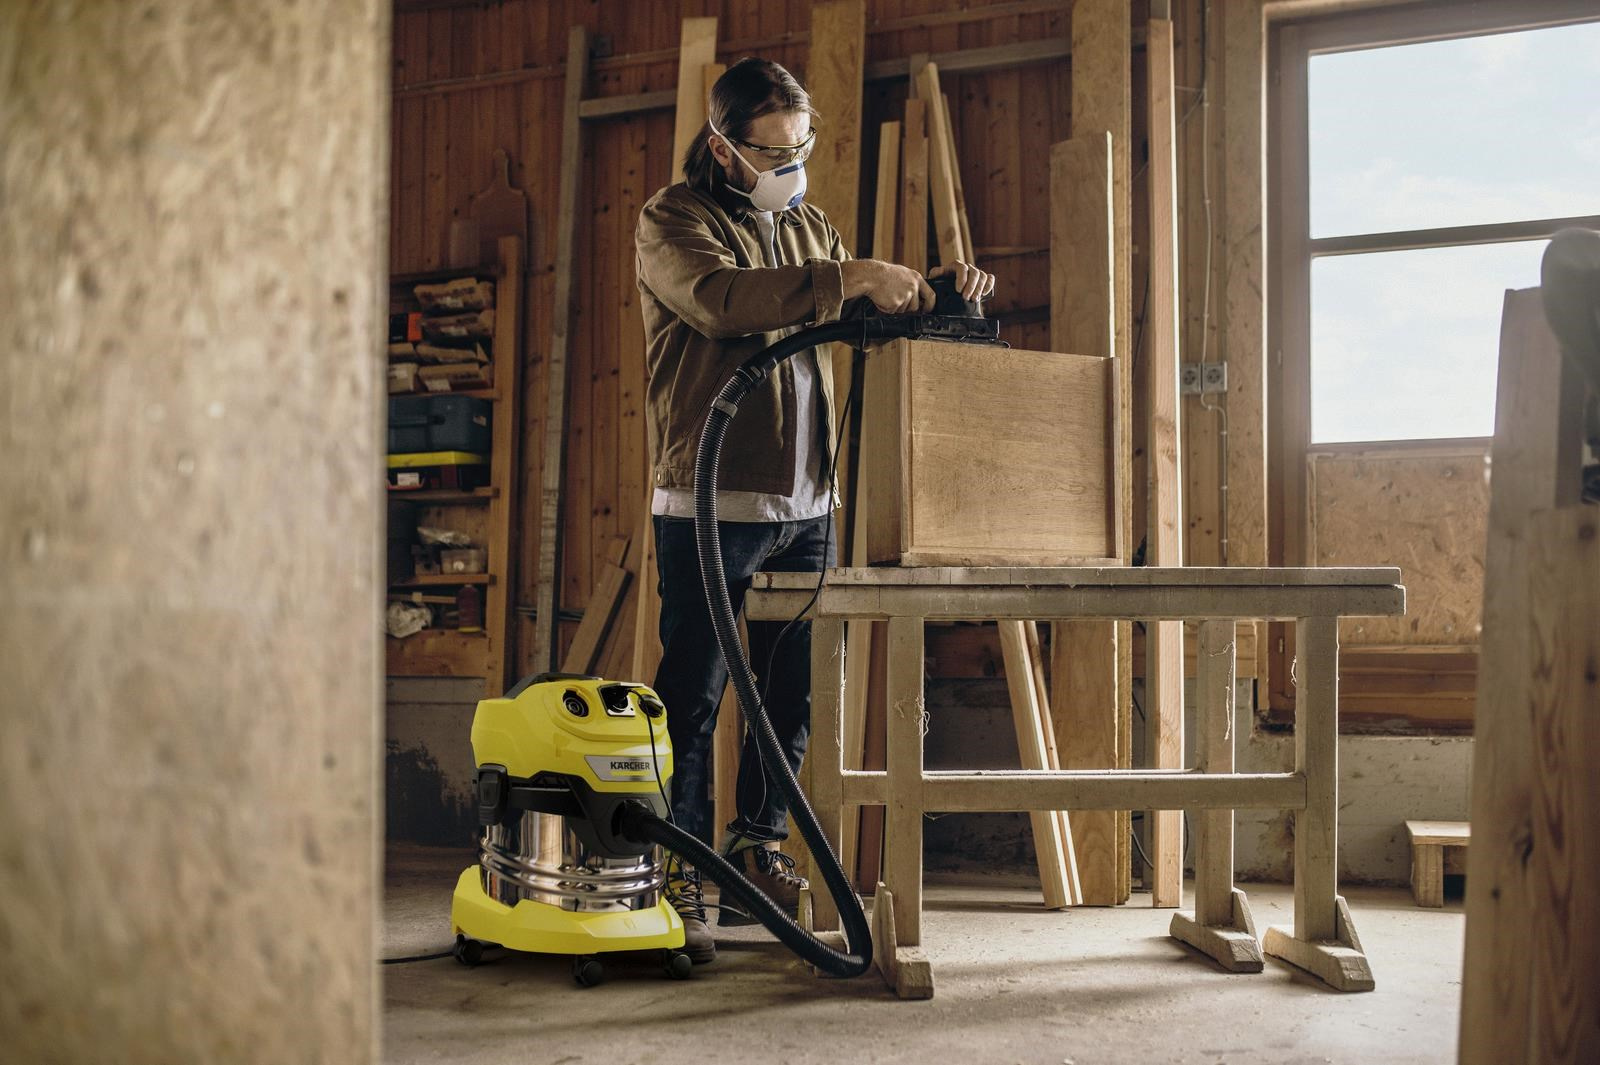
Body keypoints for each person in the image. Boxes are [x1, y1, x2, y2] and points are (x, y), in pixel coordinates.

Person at [634, 56, 994, 965]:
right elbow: (721, 303)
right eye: (772, 152)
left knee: (791, 694)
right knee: (696, 692)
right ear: (723, 146)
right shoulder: (675, 220)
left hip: (805, 502)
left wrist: (933, 292)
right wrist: (852, 275)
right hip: (714, 497)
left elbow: (848, 317)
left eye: (800, 148)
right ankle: (682, 869)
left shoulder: (809, 226)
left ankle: (754, 847)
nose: (790, 166)